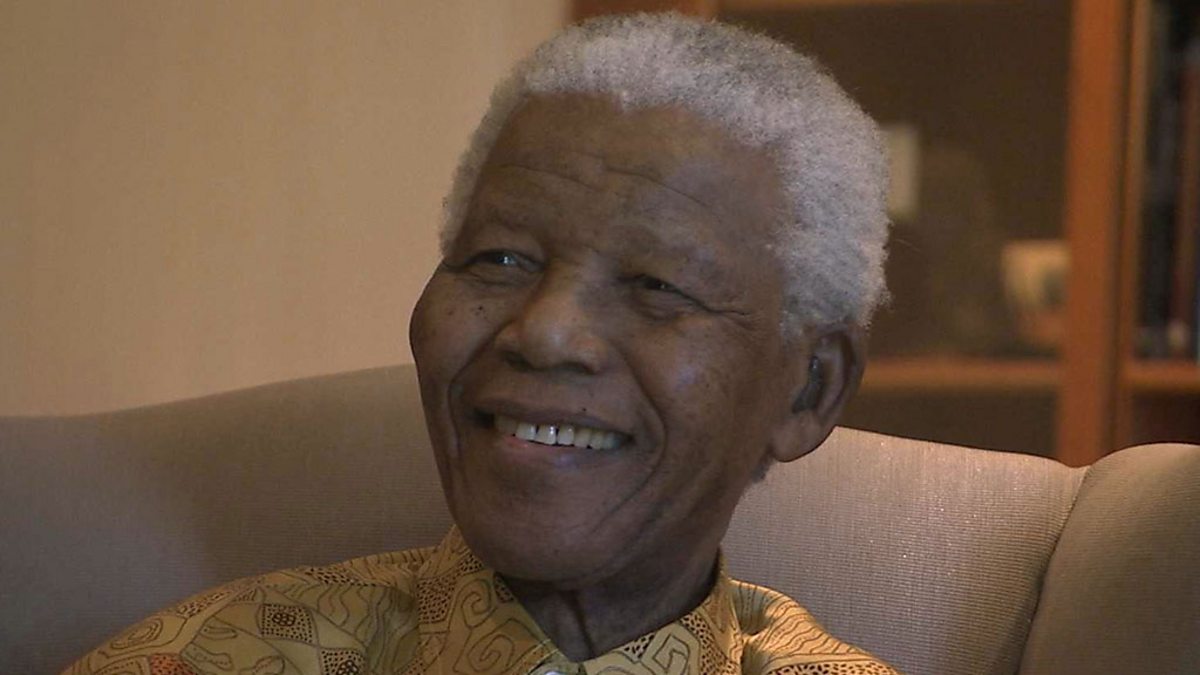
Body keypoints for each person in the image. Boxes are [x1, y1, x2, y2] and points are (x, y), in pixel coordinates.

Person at [65, 13, 896, 675]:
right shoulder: (203, 659)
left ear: (808, 389)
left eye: (655, 284)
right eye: (500, 258)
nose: (544, 329)